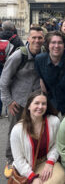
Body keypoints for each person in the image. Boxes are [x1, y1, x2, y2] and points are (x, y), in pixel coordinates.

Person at [0, 26, 45, 178]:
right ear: (29, 39)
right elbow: (4, 81)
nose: (37, 40)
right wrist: (8, 101)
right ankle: (10, 159)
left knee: (34, 131)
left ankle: (29, 158)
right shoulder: (18, 56)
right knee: (14, 131)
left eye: (40, 37)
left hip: (37, 103)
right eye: (34, 37)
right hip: (18, 102)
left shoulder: (44, 54)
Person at [10, 90, 65, 184]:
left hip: (46, 161)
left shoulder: (54, 121)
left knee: (61, 176)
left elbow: (57, 144)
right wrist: (32, 177)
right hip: (26, 166)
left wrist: (50, 162)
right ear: (29, 106)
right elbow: (18, 159)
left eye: (43, 104)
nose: (40, 107)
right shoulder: (17, 130)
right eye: (36, 103)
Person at [35, 31, 65, 115]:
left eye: (60, 43)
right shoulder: (39, 60)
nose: (56, 46)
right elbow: (42, 82)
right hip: (50, 105)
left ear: (64, 45)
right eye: (53, 42)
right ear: (48, 45)